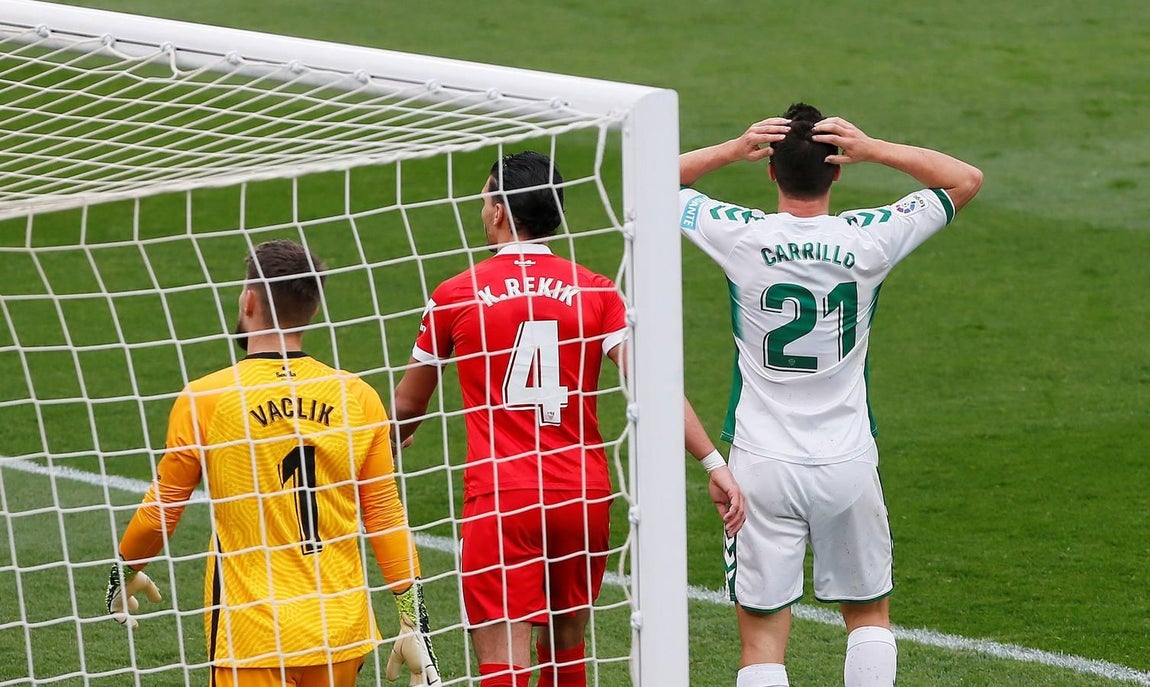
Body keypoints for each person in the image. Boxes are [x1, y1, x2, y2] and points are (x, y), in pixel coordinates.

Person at [392, 151, 744, 687]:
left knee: (501, 661)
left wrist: (388, 440)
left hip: (502, 498)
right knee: (566, 655)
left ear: (499, 213)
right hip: (580, 498)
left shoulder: (456, 294)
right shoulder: (597, 290)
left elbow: (409, 405)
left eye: (487, 198)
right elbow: (654, 385)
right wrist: (713, 461)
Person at [677, 104, 983, 687]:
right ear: (837, 172)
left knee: (762, 641)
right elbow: (964, 179)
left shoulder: (741, 235)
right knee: (868, 617)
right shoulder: (869, 239)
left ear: (769, 171)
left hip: (760, 467)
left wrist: (728, 150)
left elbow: (648, 181)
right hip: (847, 460)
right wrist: (876, 148)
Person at [104, 239, 439, 687]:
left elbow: (162, 508)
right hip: (339, 632)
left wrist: (124, 570)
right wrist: (414, 623)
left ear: (248, 300)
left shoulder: (206, 398)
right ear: (314, 308)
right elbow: (384, 514)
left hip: (252, 635)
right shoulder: (358, 397)